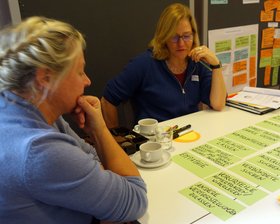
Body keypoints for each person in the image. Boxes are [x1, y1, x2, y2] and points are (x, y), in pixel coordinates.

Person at [0, 17, 147, 224]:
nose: (88, 81)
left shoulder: (18, 107)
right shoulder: (40, 150)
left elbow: (90, 158)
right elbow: (135, 199)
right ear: (45, 78)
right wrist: (100, 130)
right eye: (79, 71)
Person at [101, 3, 227, 128]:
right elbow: (108, 99)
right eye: (174, 37)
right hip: (155, 141)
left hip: (189, 135)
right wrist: (115, 139)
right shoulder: (144, 64)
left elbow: (218, 104)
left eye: (187, 36)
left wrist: (216, 65)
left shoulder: (196, 64)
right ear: (164, 37)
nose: (181, 43)